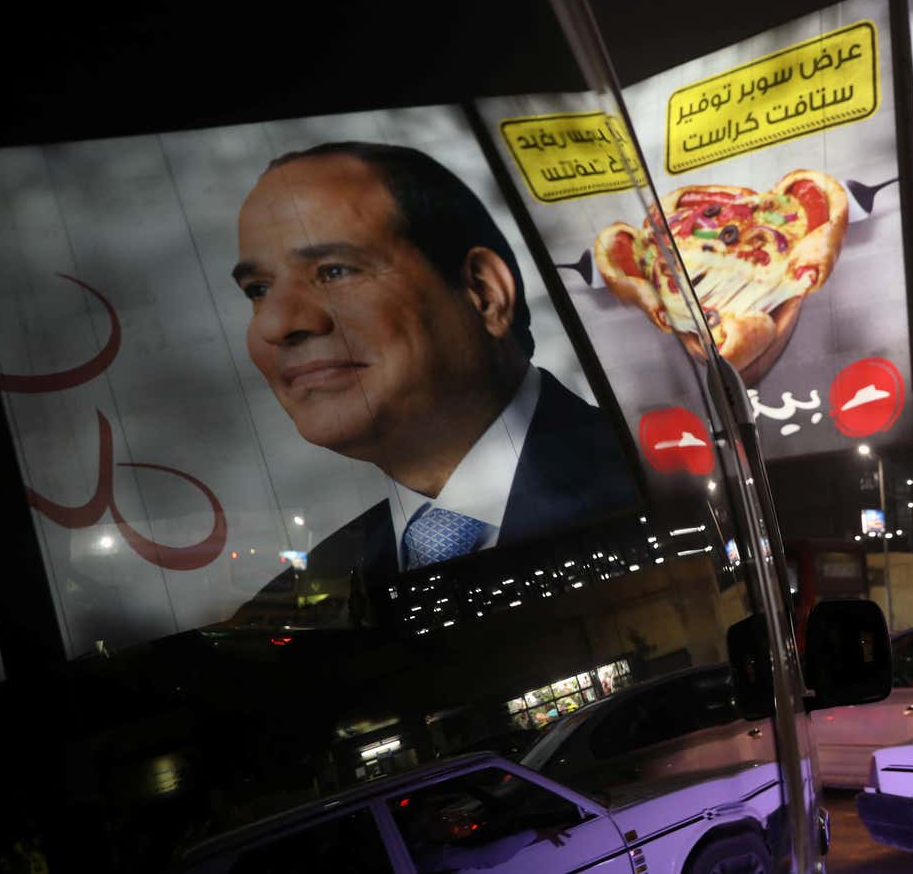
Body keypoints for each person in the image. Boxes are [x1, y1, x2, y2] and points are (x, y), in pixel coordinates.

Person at [228, 142, 635, 624]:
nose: (277, 324)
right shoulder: (289, 611)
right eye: (258, 290)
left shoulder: (660, 477)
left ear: (484, 292)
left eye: (334, 271)